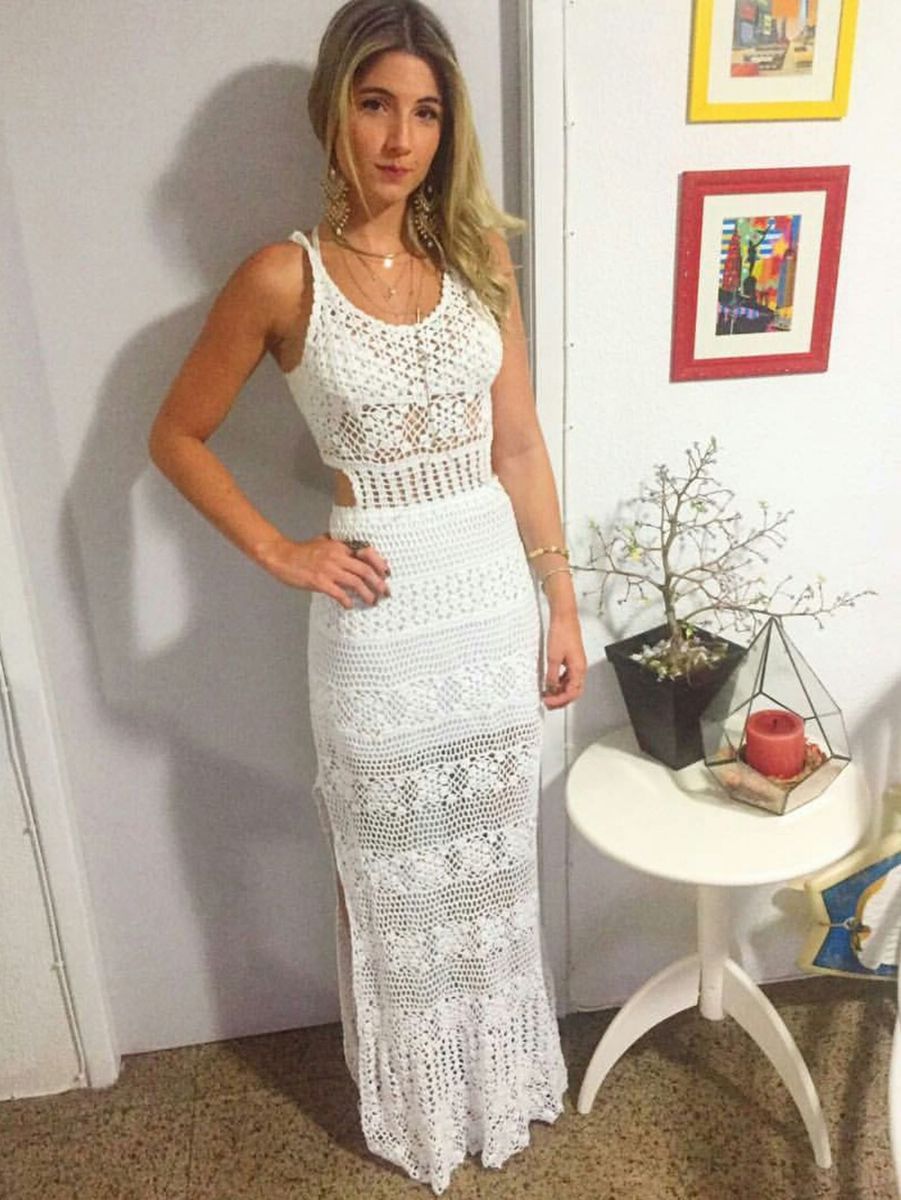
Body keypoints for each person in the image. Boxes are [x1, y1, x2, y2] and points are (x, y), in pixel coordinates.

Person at [148, 0, 586, 1191]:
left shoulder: (479, 257)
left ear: (448, 128)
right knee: (390, 881)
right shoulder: (281, 275)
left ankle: (503, 1082)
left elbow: (518, 446)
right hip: (378, 625)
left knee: (492, 866)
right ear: (333, 111)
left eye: (426, 112)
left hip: (488, 606)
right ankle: (421, 1106)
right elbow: (176, 435)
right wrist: (281, 551)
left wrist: (559, 602)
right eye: (376, 103)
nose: (400, 137)